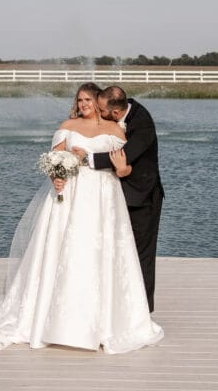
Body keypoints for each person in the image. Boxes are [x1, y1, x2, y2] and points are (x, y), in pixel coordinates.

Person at [0, 82, 163, 354]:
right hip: (72, 198)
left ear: (102, 105)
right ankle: (56, 318)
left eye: (89, 100)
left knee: (101, 253)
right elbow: (56, 159)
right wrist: (56, 176)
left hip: (104, 201)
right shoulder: (68, 125)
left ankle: (107, 321)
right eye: (80, 100)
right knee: (70, 251)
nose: (84, 105)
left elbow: (124, 168)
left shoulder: (117, 130)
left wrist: (121, 169)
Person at [73, 85, 163, 312]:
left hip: (142, 197)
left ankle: (143, 309)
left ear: (114, 112)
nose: (99, 111)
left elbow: (122, 156)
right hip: (118, 193)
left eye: (101, 108)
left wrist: (86, 158)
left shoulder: (143, 125)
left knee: (142, 254)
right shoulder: (123, 106)